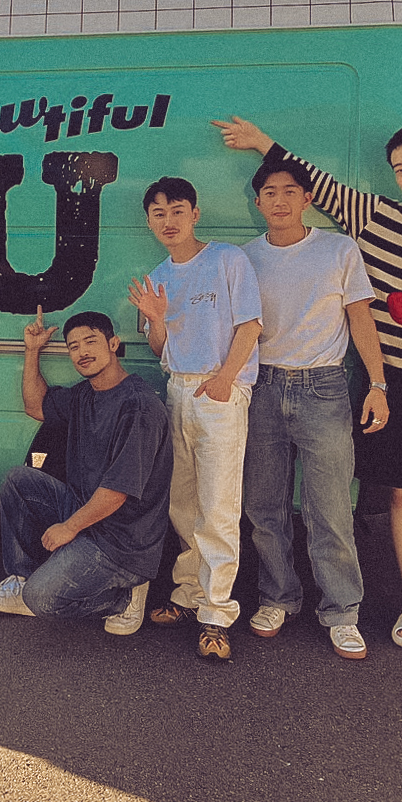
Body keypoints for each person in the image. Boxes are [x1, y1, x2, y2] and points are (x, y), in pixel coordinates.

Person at [213, 116, 402, 660]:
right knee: (391, 499)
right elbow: (318, 184)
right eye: (399, 169)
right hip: (385, 384)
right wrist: (264, 143)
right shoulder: (381, 219)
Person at [237, 160, 388, 660]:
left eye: (289, 191)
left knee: (331, 509)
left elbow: (361, 319)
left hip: (323, 388)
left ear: (307, 199)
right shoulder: (244, 259)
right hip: (261, 386)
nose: (279, 200)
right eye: (269, 192)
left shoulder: (338, 250)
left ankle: (342, 611)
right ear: (257, 202)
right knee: (263, 506)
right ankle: (277, 597)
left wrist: (378, 384)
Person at [0, 309, 172, 635]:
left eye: (91, 342)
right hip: (86, 511)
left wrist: (69, 527)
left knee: (41, 599)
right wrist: (33, 350)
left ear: (113, 344)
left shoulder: (138, 406)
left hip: (121, 541)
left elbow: (117, 492)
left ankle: (124, 597)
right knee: (17, 480)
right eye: (74, 346)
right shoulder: (86, 394)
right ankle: (22, 578)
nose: (82, 352)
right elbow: (35, 406)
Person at [129, 177, 262, 661]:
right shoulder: (158, 275)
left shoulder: (227, 259)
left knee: (219, 505)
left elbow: (251, 325)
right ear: (149, 221)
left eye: (177, 211)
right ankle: (188, 594)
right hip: (177, 389)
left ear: (195, 214)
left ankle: (217, 614)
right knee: (182, 502)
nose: (169, 221)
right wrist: (156, 319)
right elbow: (160, 350)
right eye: (159, 213)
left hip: (219, 389)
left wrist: (226, 379)